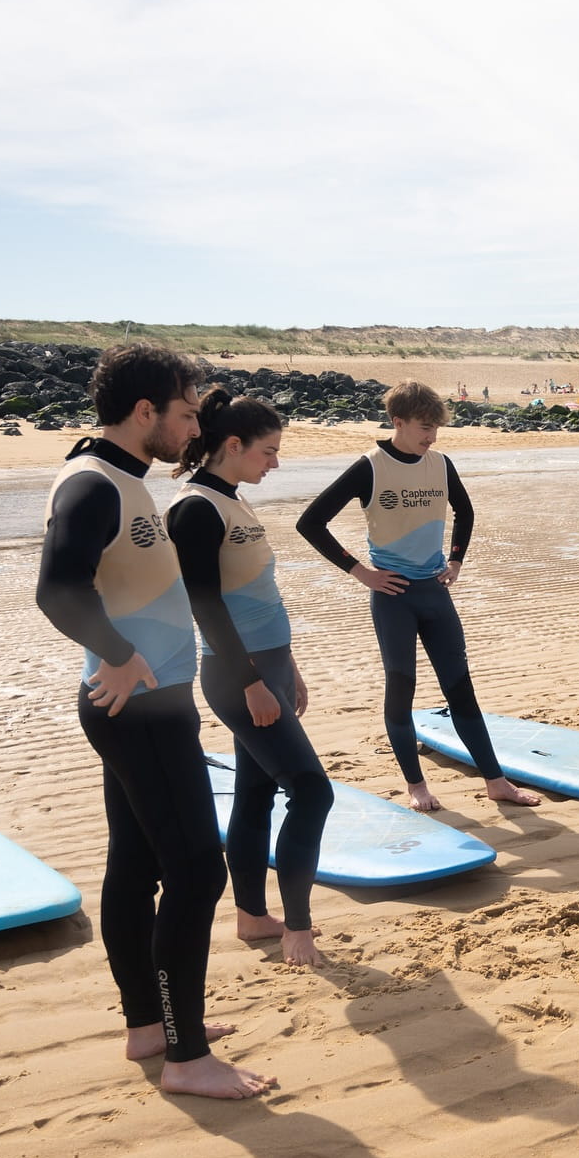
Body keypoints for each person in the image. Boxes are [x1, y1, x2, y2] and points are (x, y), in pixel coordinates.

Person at [36, 343, 272, 1100]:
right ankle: (186, 1056)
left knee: (137, 869)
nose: (193, 425)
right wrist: (117, 654)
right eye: (184, 412)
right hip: (136, 709)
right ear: (146, 413)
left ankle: (150, 1025)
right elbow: (57, 589)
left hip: (148, 706)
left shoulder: (122, 478)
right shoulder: (93, 484)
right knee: (199, 869)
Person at [297, 380, 540, 812]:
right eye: (425, 427)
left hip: (434, 593)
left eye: (436, 429)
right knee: (401, 690)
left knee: (460, 689)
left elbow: (465, 511)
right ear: (399, 422)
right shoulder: (370, 467)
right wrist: (360, 572)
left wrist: (457, 560)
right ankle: (416, 786)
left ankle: (496, 781)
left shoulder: (441, 464)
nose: (432, 437)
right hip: (394, 597)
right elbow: (311, 522)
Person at [166, 390, 333, 970]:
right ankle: (298, 930)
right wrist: (251, 682)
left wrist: (289, 669)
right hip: (239, 675)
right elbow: (204, 605)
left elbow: (257, 597)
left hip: (268, 667)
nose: (275, 463)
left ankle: (252, 917)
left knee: (257, 792)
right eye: (268, 451)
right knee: (313, 791)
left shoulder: (230, 500)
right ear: (232, 445)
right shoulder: (195, 509)